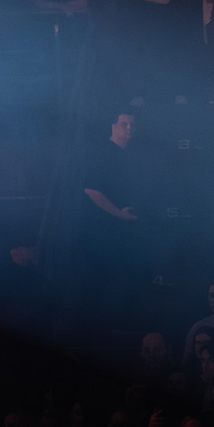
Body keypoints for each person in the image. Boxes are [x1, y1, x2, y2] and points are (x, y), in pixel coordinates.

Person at [79, 113, 146, 325]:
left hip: (131, 231)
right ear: (113, 126)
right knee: (110, 284)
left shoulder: (134, 154)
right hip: (106, 232)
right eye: (124, 124)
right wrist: (120, 214)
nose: (128, 128)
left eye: (132, 125)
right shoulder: (101, 153)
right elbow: (91, 190)